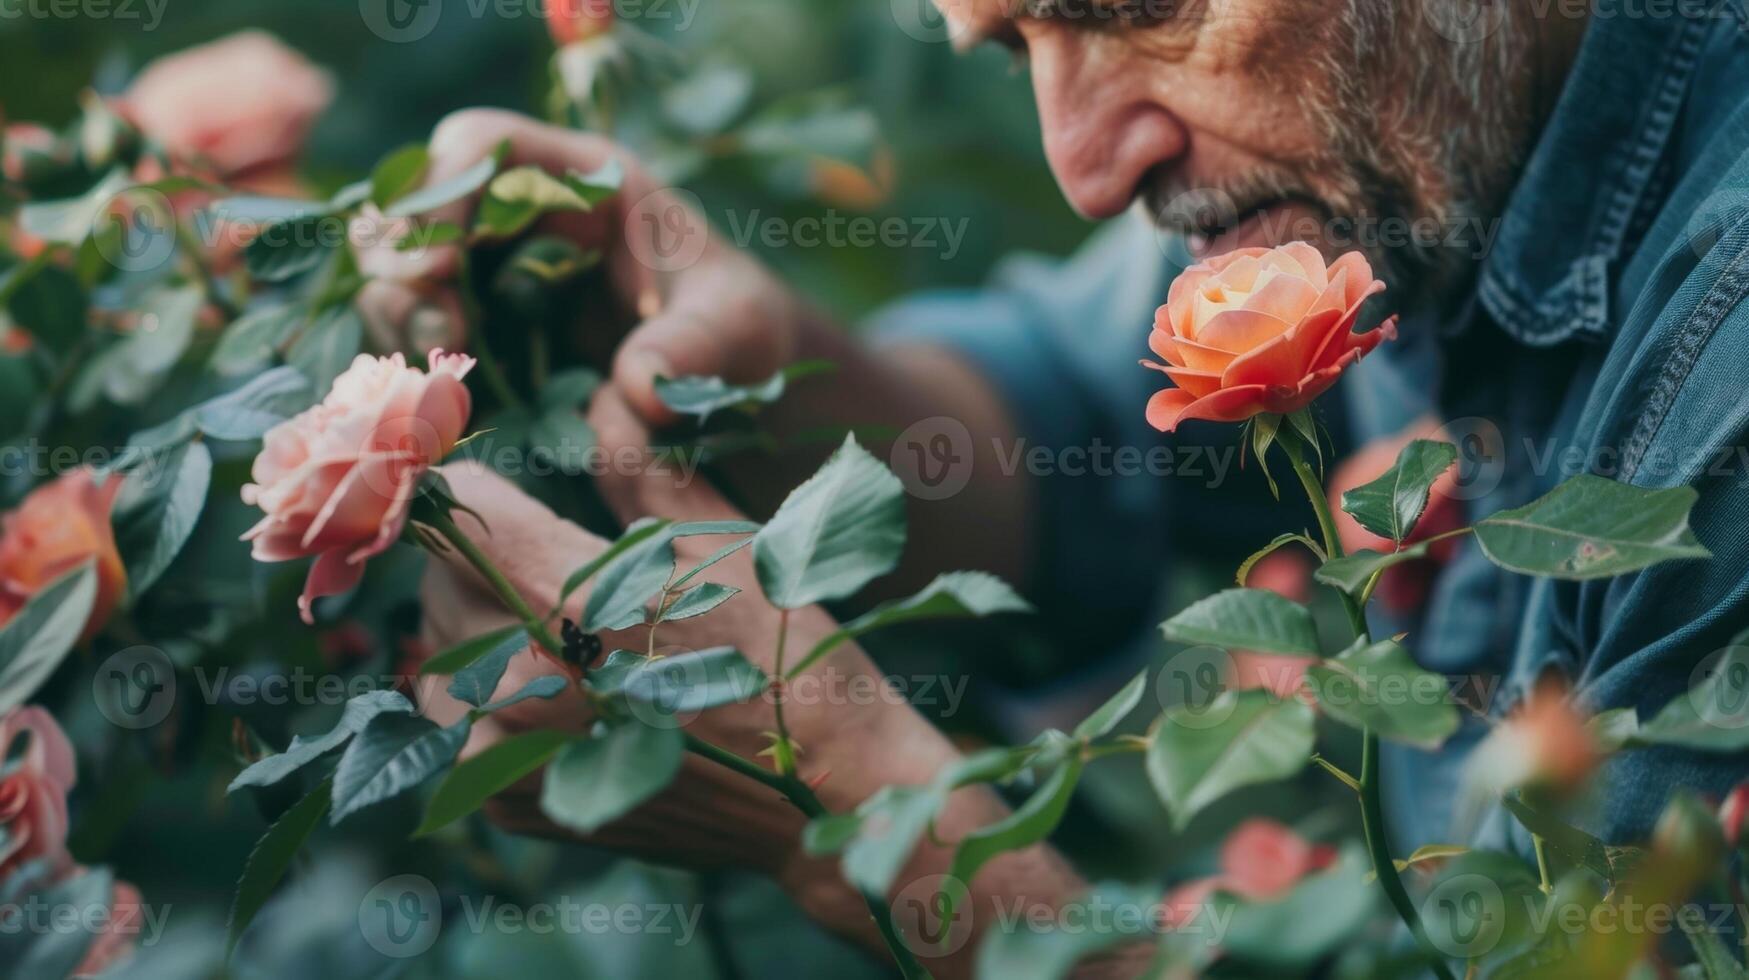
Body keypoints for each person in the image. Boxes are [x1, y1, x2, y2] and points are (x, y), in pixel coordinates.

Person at [406, 2, 1749, 975]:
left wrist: (861, 811)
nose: (1084, 166)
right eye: (1014, 44)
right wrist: (756, 360)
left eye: (1136, 10)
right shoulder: (1410, 129)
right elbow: (1075, 412)